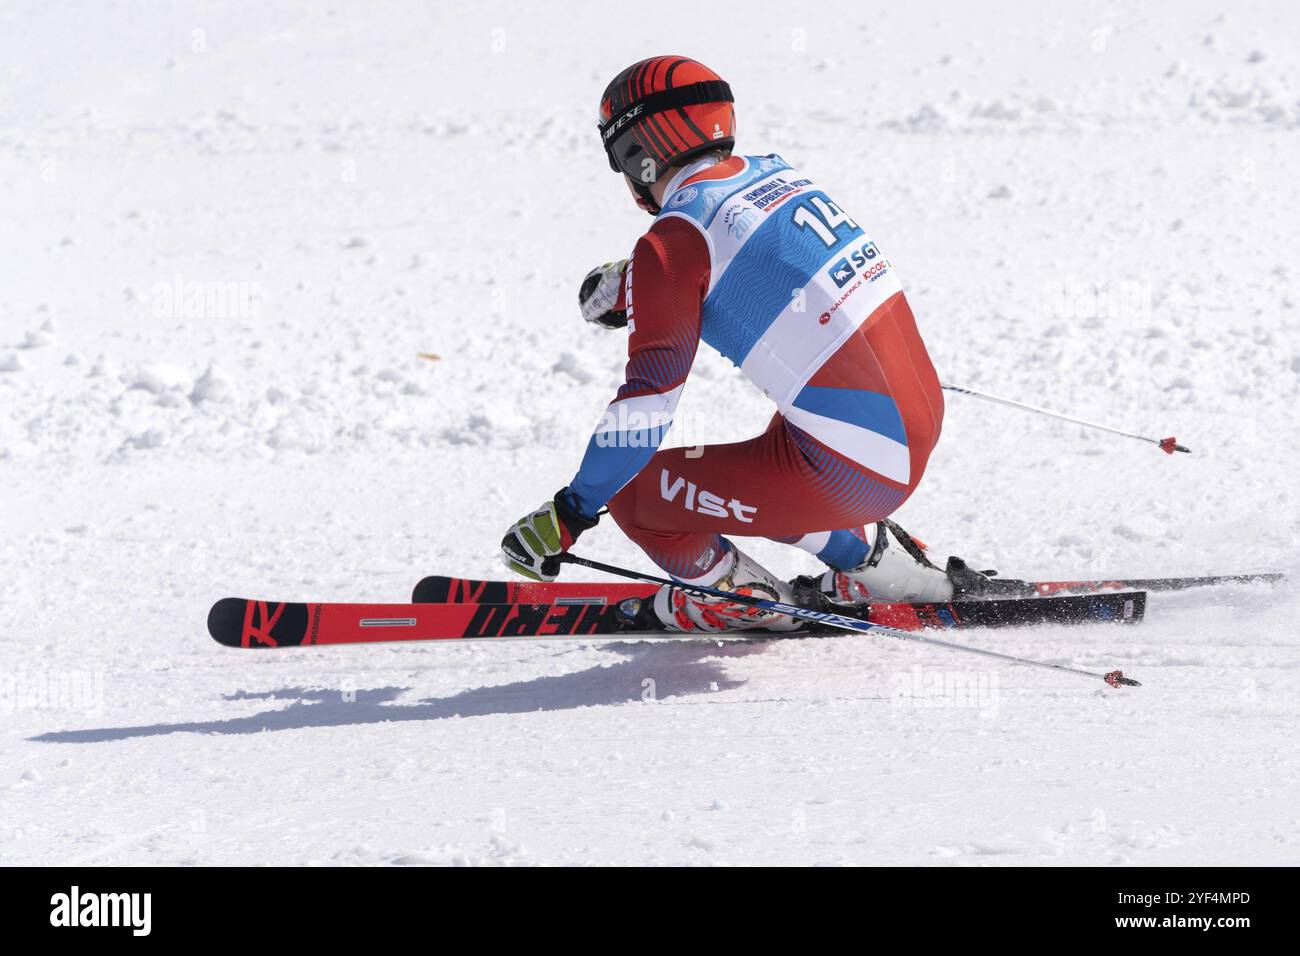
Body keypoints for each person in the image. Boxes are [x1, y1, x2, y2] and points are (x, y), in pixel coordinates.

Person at [501, 55, 971, 632]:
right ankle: (874, 562)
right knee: (766, 454)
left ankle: (744, 603)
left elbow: (646, 408)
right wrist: (635, 284)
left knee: (636, 495)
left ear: (638, 155)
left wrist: (568, 512)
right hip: (912, 427)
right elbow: (750, 259)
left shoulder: (671, 246)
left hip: (855, 473)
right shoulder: (778, 173)